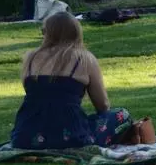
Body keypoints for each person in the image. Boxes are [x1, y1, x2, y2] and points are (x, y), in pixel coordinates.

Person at [10, 12, 131, 149]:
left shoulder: (31, 58)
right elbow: (102, 105)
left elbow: (40, 97)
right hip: (72, 137)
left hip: (25, 137)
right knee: (122, 115)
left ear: (48, 33)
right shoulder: (84, 59)